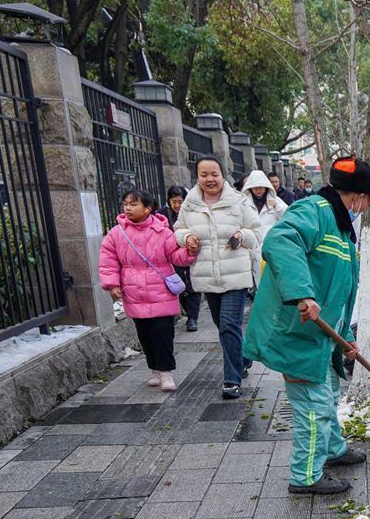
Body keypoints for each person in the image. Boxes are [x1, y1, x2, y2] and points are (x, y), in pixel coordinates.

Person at [244, 156, 370, 495]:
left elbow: (338, 296)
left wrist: (346, 339)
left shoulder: (339, 228)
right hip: (295, 334)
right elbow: (280, 241)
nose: (365, 209)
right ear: (357, 197)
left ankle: (333, 450)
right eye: (367, 201)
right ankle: (305, 476)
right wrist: (302, 294)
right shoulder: (314, 212)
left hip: (318, 337)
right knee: (313, 407)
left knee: (329, 394)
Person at [174, 156, 265, 399]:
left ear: (222, 174)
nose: (209, 179)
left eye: (214, 173)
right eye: (204, 174)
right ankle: (244, 357)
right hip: (206, 275)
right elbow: (178, 229)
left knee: (228, 325)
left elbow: (256, 232)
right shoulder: (190, 204)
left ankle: (231, 379)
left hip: (235, 276)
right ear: (197, 177)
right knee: (223, 326)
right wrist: (185, 238)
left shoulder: (238, 201)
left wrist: (241, 236)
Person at [99, 187, 196, 392]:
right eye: (126, 204)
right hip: (134, 292)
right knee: (144, 334)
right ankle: (154, 370)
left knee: (163, 332)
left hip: (160, 289)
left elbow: (175, 256)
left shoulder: (162, 231)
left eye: (134, 204)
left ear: (148, 208)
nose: (128, 208)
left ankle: (166, 372)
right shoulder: (117, 233)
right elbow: (108, 260)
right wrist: (112, 284)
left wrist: (189, 252)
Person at [165, 185, 201, 332]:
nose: (177, 205)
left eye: (180, 201)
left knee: (193, 285)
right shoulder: (163, 215)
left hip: (191, 253)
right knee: (177, 285)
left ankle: (193, 317)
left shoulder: (192, 213)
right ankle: (185, 312)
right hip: (173, 256)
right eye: (174, 201)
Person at [241, 169, 288, 236]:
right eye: (255, 188)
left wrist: (277, 207)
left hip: (271, 240)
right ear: (250, 188)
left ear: (266, 187)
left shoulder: (276, 200)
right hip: (252, 242)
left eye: (261, 187)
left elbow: (288, 215)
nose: (258, 190)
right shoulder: (244, 202)